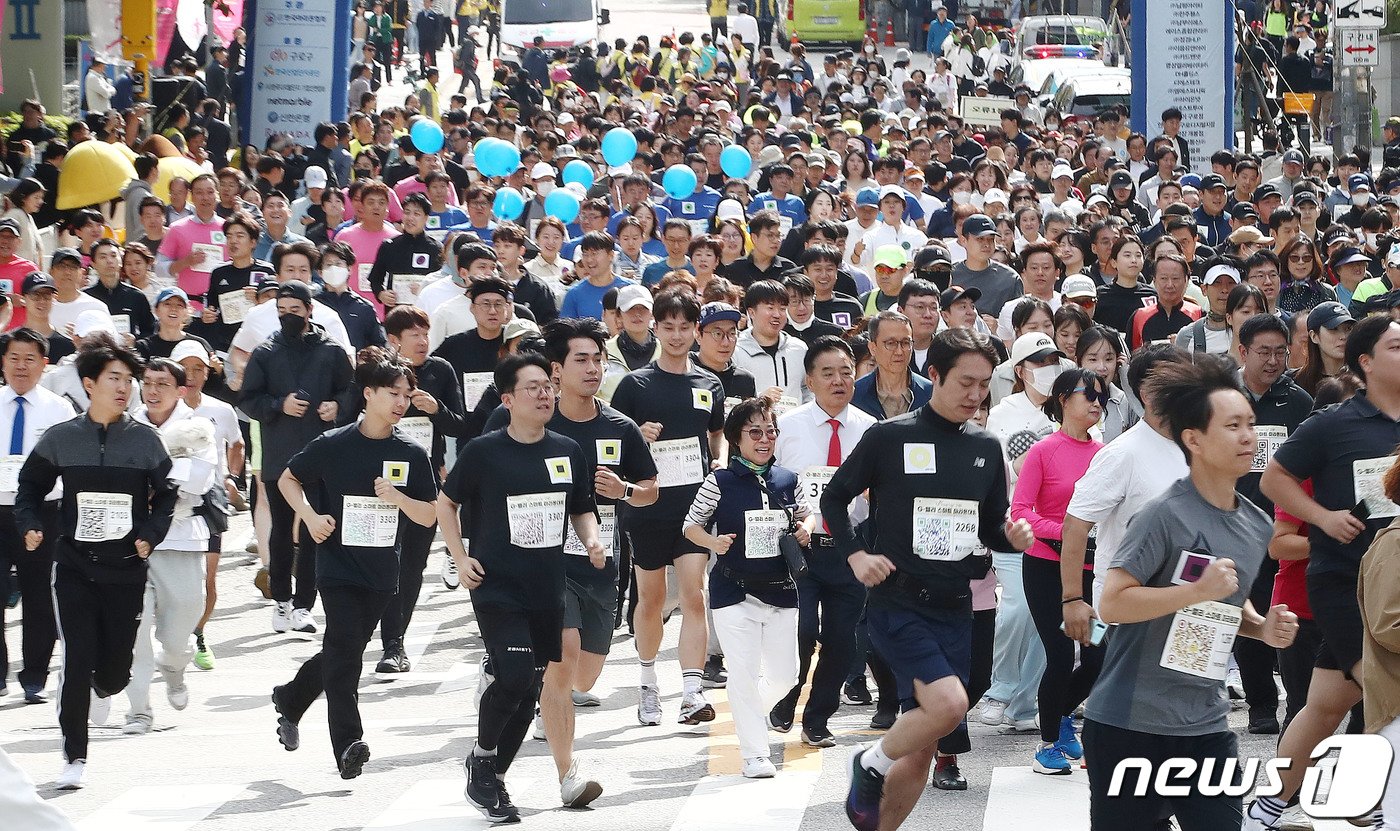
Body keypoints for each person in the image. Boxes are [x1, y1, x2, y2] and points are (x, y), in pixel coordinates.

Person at [826, 327, 1034, 831]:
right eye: (965, 382)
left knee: (922, 749)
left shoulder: (986, 446)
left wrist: (1014, 538)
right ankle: (869, 762)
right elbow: (833, 499)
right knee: (949, 705)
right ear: (934, 375)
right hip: (898, 603)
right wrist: (855, 556)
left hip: (955, 606)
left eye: (985, 385)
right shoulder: (889, 436)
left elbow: (990, 529)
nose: (975, 395)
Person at [1085, 355, 1299, 829]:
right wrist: (1194, 592)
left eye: (1250, 423)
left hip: (1206, 725)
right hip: (1130, 726)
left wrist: (1262, 628)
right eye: (1232, 426)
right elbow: (1114, 601)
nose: (1248, 436)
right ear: (1194, 440)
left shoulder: (1256, 523)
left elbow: (1230, 596)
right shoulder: (1164, 515)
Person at [438, 352, 605, 823]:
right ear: (508, 399)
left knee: (529, 685)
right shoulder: (484, 451)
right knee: (513, 674)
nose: (543, 393)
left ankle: (490, 775)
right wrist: (459, 556)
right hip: (495, 585)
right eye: (531, 387)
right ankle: (483, 758)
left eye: (546, 385)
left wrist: (592, 540)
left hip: (547, 585)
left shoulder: (567, 450)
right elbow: (444, 504)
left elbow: (581, 508)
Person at [1252, 315, 1400, 830]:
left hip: (1397, 589)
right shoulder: (1334, 423)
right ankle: (1379, 807)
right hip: (1345, 586)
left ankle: (1264, 806)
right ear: (1365, 361)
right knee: (1390, 695)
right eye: (1397, 346)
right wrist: (1322, 519)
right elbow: (1274, 480)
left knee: (1324, 705)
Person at [17, 335, 177, 789]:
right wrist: (30, 523)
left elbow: (167, 495)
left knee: (113, 671)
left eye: (129, 380)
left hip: (126, 569)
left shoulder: (145, 443)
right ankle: (74, 755)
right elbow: (30, 486)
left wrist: (149, 535)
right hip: (74, 567)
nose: (125, 388)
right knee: (77, 655)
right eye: (114, 379)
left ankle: (103, 687)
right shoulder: (63, 438)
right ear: (90, 384)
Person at [271, 347, 438, 779]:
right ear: (368, 394)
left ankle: (292, 697)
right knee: (347, 657)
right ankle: (349, 745)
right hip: (338, 567)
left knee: (343, 651)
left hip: (383, 572)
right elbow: (289, 478)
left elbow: (429, 513)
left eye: (407, 395)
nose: (401, 402)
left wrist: (399, 497)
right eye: (393, 393)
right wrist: (309, 516)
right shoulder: (334, 443)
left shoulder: (412, 453)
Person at [526, 318, 657, 805]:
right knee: (562, 660)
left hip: (602, 561)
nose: (593, 367)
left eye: (598, 358)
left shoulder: (619, 427)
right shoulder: (535, 422)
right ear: (556, 369)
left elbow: (651, 491)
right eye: (581, 359)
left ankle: (514, 670)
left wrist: (623, 490)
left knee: (585, 674)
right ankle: (569, 774)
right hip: (545, 562)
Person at [610, 290, 727, 727]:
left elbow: (717, 435)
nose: (676, 335)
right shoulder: (634, 384)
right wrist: (638, 435)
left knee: (695, 595)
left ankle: (692, 692)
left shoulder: (708, 383)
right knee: (653, 598)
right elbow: (613, 445)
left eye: (685, 327)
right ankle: (647, 683)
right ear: (655, 329)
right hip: (648, 509)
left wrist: (718, 459)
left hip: (694, 508)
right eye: (668, 326)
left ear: (696, 332)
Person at [683, 396, 810, 778]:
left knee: (787, 676)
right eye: (755, 432)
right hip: (733, 592)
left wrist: (808, 528)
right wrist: (712, 543)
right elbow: (690, 525)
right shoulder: (718, 481)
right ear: (737, 439)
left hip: (781, 590)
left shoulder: (787, 479)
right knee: (741, 672)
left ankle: (751, 711)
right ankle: (755, 753)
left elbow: (808, 515)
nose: (764, 438)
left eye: (770, 431)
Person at [771, 335, 876, 747]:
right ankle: (788, 695)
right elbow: (771, 481)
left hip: (850, 548)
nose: (838, 380)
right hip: (801, 548)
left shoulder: (871, 430)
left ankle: (817, 718)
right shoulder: (788, 426)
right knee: (798, 630)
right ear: (810, 380)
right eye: (827, 373)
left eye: (846, 372)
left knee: (841, 638)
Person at [237, 281, 357, 637]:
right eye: (282, 311)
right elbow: (247, 399)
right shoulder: (266, 352)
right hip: (279, 455)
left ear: (309, 310)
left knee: (313, 531)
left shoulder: (331, 350)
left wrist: (337, 406)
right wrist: (278, 405)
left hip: (321, 456)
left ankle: (305, 605)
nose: (288, 316)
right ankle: (281, 602)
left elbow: (351, 390)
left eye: (295, 309)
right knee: (279, 531)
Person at [1012, 366, 1107, 774]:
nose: (1097, 402)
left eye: (1102, 395)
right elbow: (1020, 512)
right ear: (1064, 398)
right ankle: (1047, 744)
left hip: (1092, 571)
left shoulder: (1105, 454)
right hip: (1046, 569)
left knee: (1099, 654)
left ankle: (1063, 715)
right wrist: (1069, 534)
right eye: (1089, 394)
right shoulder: (1042, 451)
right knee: (1059, 652)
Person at [364, 306, 465, 677]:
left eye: (426, 334)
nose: (423, 342)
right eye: (413, 335)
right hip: (378, 484)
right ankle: (377, 634)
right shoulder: (377, 374)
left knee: (411, 566)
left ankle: (395, 642)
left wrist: (436, 409)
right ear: (393, 340)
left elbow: (459, 424)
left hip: (424, 481)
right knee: (384, 562)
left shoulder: (441, 370)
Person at [122, 357, 219, 735]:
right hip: (131, 538)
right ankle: (138, 709)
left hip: (180, 536)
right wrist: (170, 471)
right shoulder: (128, 423)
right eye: (147, 382)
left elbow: (198, 481)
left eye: (162, 383)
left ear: (180, 389)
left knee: (182, 621)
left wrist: (152, 474)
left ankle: (175, 666)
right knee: (136, 626)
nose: (153, 390)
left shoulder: (198, 426)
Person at [0, 329, 75, 704]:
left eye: (30, 358)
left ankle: (34, 676)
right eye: (14, 357)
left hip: (43, 511)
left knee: (39, 595)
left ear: (44, 364)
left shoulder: (58, 409)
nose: (21, 366)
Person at [172, 339, 244, 672]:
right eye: (185, 368)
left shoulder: (220, 410)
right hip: (169, 500)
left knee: (207, 577)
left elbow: (237, 444)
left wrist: (230, 477)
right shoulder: (156, 407)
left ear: (207, 371)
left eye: (198, 368)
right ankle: (168, 636)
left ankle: (199, 632)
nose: (191, 374)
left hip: (210, 499)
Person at [852, 310, 932, 420]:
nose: (899, 351)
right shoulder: (855, 395)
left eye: (905, 343)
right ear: (873, 348)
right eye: (890, 343)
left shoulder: (931, 393)